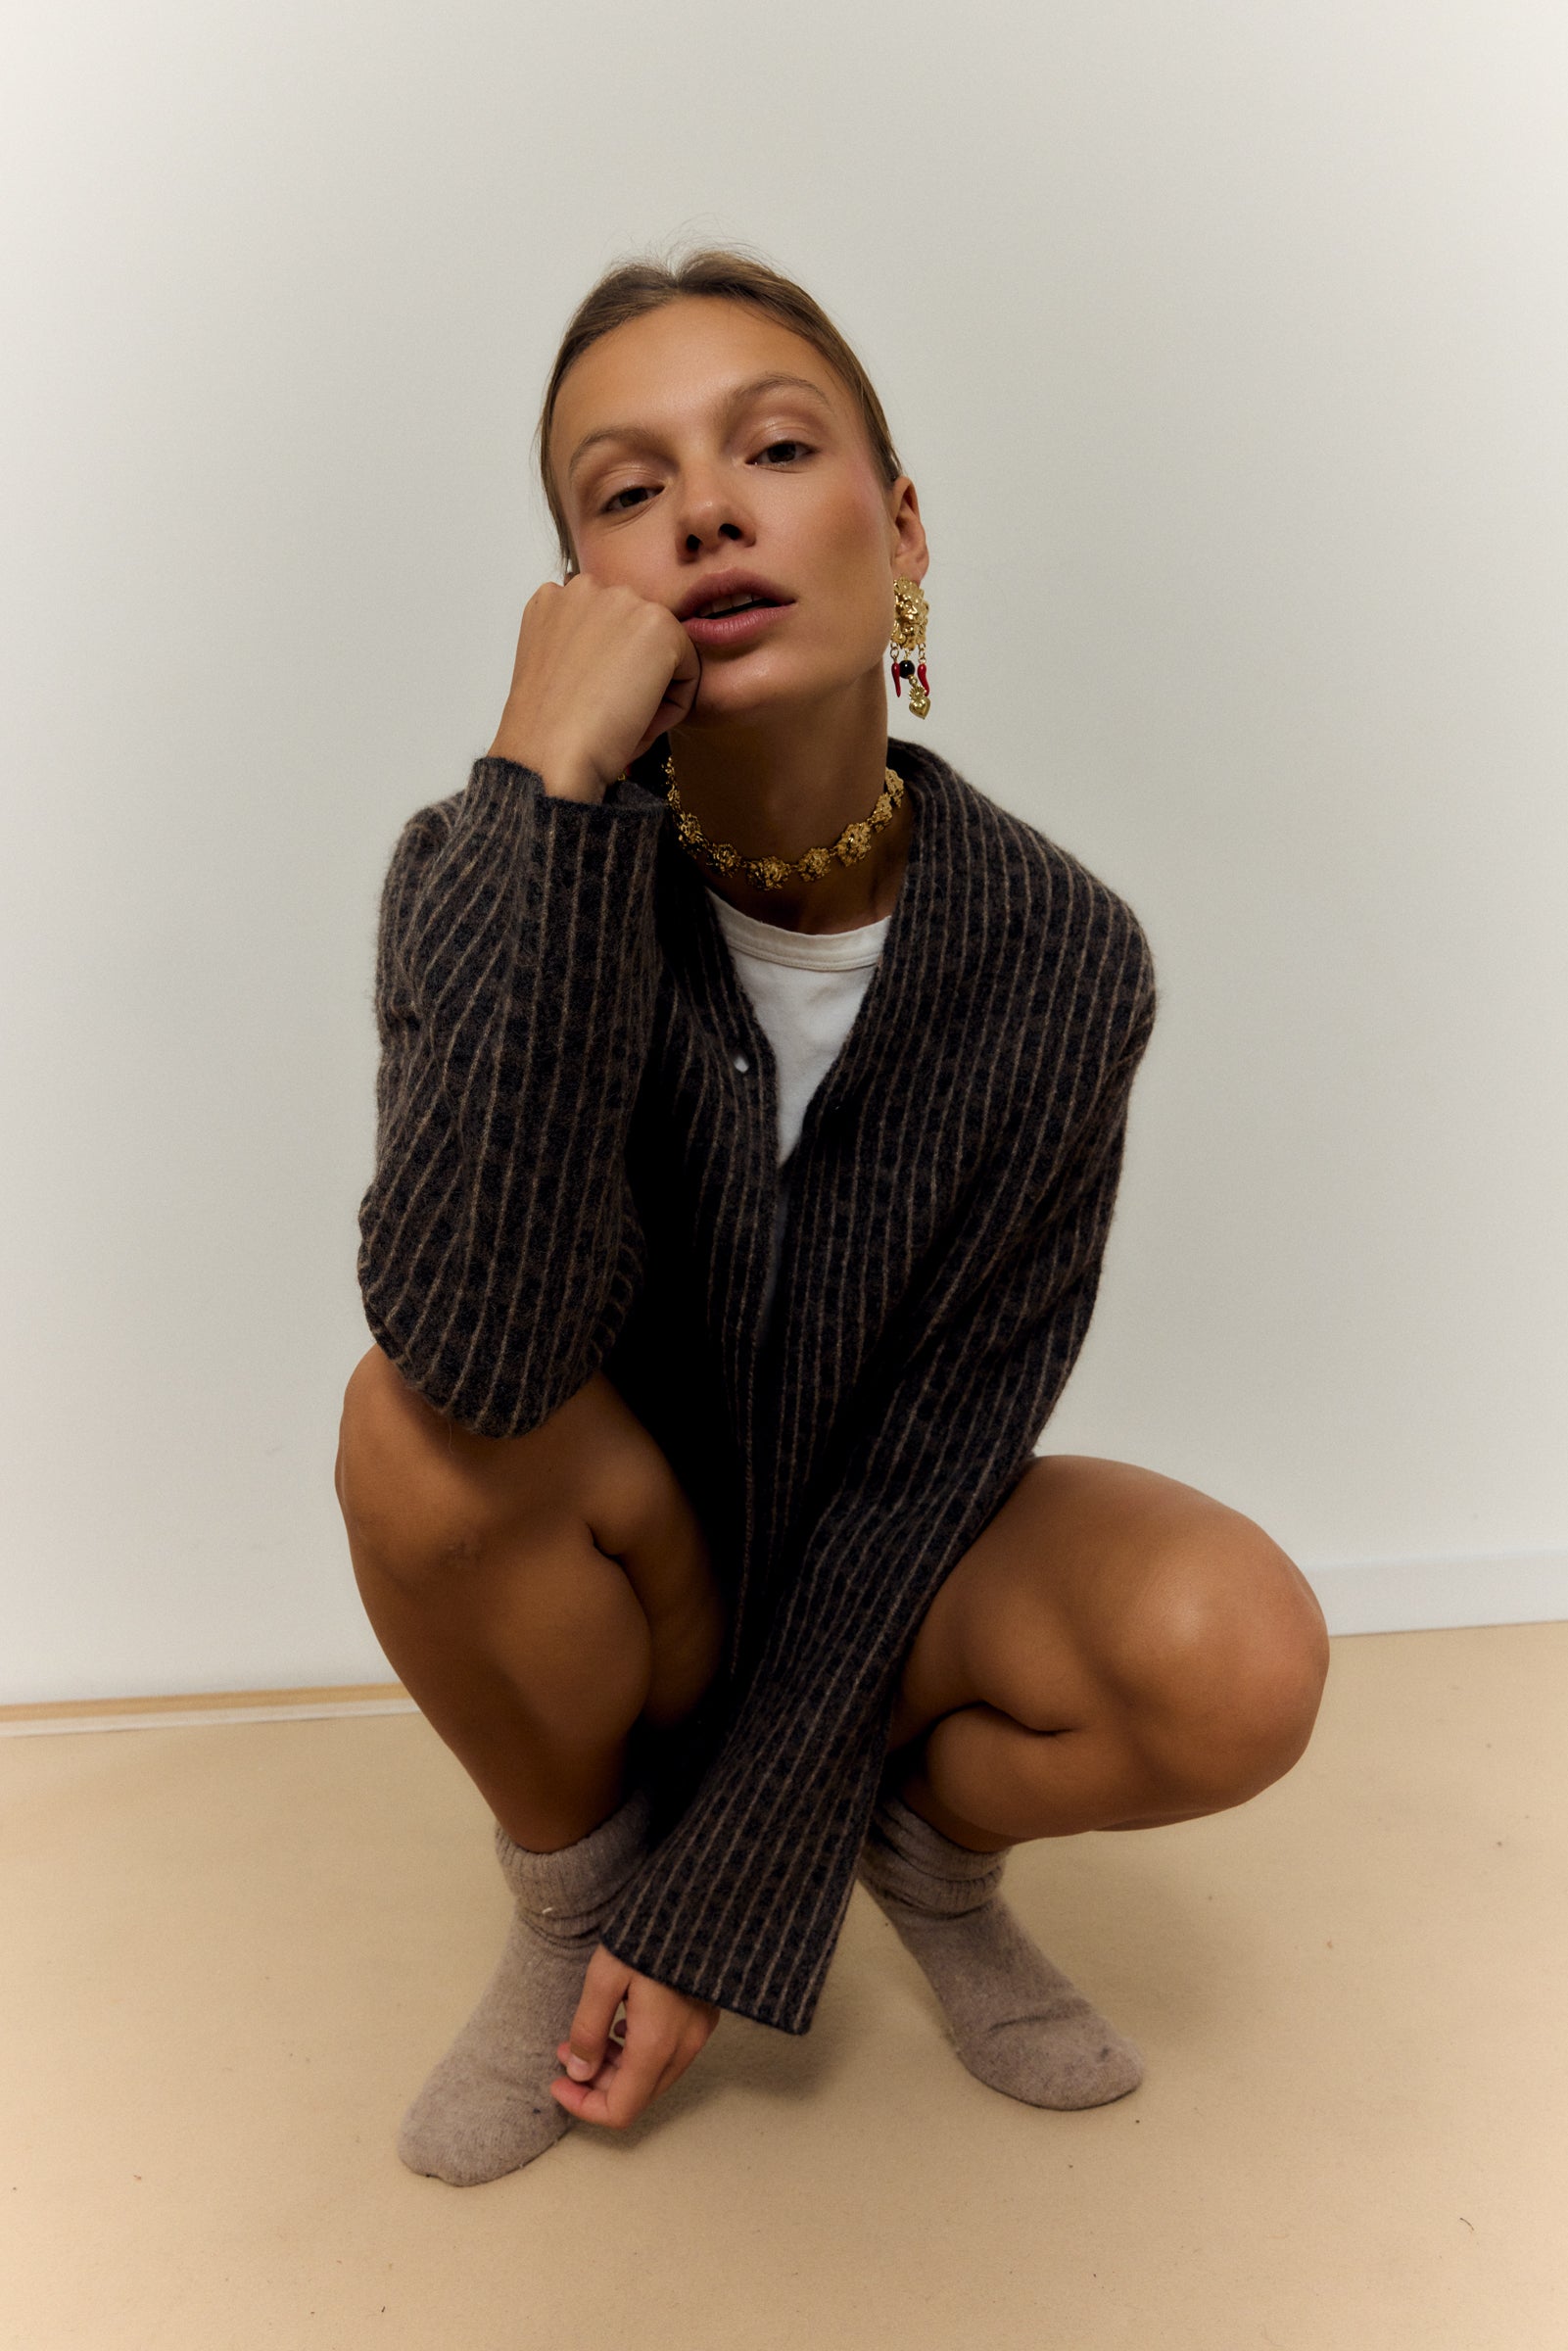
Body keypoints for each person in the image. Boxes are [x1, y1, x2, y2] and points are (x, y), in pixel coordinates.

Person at [334, 246, 1331, 2188]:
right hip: (634, 1575)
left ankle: (923, 1858)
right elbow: (476, 1353)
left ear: (902, 529)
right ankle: (570, 1897)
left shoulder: (1062, 954)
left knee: (1234, 1651)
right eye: (626, 489)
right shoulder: (482, 868)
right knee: (411, 1435)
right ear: (575, 594)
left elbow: (942, 1451)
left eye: (775, 448)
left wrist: (729, 1904)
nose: (705, 508)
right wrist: (551, 794)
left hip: (896, 1560)